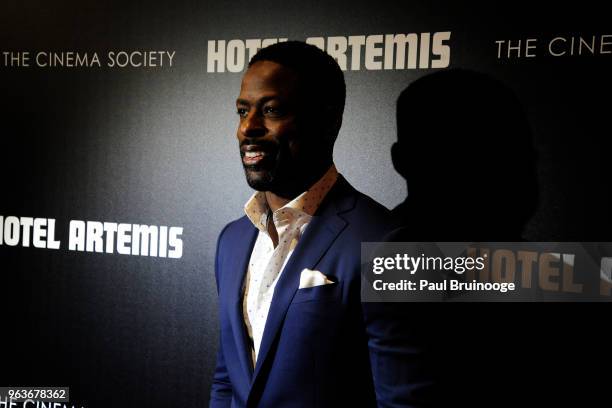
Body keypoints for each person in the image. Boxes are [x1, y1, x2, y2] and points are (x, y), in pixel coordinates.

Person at [210, 41, 433, 407]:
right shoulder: (232, 241)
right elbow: (228, 380)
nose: (248, 127)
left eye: (271, 110)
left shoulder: (385, 244)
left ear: (327, 121)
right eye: (242, 111)